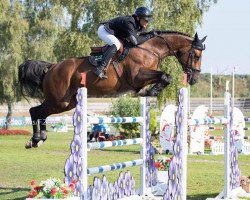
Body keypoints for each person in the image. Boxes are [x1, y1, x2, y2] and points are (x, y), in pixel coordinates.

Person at [94, 6, 157, 79]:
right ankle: (99, 68)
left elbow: (139, 38)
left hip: (115, 33)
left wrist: (149, 34)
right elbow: (135, 41)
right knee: (116, 44)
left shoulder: (139, 25)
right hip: (104, 30)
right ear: (138, 18)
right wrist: (150, 35)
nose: (147, 22)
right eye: (146, 20)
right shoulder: (129, 22)